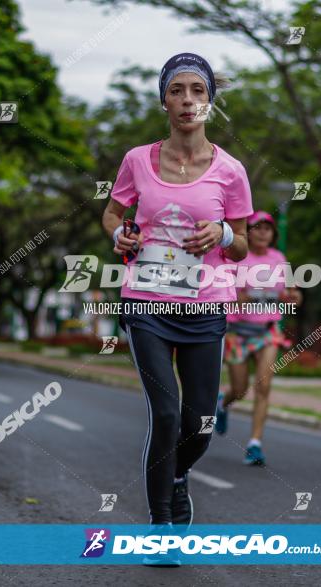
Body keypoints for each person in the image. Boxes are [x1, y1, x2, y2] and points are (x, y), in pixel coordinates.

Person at [101, 52, 252, 565]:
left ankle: (179, 472)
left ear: (210, 100)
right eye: (177, 91)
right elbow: (112, 214)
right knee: (166, 415)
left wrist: (224, 232)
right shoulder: (137, 160)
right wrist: (120, 236)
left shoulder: (231, 170)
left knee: (201, 423)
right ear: (164, 98)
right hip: (146, 302)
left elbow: (243, 245)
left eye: (198, 91)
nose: (188, 101)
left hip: (205, 307)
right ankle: (160, 528)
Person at [215, 211, 301, 466]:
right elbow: (225, 292)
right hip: (237, 331)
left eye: (268, 228)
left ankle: (255, 444)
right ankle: (224, 403)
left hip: (267, 332)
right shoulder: (237, 257)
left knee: (263, 387)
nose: (263, 232)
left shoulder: (279, 259)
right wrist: (247, 297)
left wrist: (293, 297)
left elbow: (293, 292)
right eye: (257, 227)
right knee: (240, 390)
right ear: (248, 232)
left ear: (273, 234)